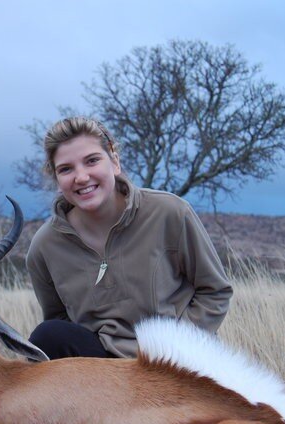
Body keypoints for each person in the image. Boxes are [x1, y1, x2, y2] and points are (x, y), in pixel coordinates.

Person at [26, 117, 233, 359]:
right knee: (47, 336)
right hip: (105, 370)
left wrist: (176, 347)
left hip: (175, 361)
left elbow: (215, 291)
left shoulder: (170, 212)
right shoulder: (44, 247)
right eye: (66, 169)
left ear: (114, 161)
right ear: (56, 179)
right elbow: (58, 318)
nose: (81, 177)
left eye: (92, 161)